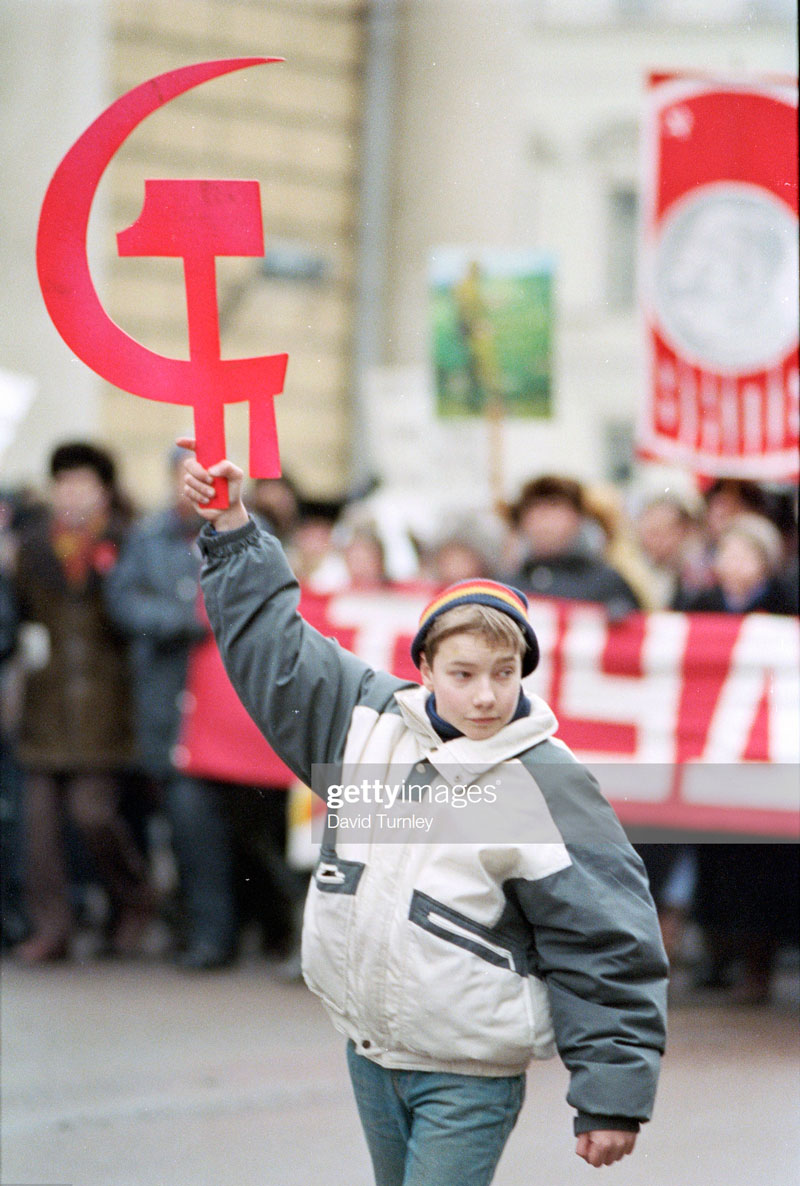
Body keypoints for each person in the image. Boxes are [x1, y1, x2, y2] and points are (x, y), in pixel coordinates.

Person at [181, 440, 668, 1181]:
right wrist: (233, 525)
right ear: (425, 669)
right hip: (370, 1053)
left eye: (503, 675)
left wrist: (610, 1098)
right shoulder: (364, 719)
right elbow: (274, 649)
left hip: (469, 1073)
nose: (483, 695)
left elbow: (607, 938)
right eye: (464, 674)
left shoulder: (550, 783)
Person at [12, 442, 154, 962]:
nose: (72, 494)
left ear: (103, 492)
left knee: (93, 814)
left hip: (106, 707)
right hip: (44, 705)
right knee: (40, 830)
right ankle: (54, 927)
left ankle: (134, 900)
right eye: (64, 483)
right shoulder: (31, 547)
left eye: (84, 484)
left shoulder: (125, 543)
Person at [506, 475, 640, 619]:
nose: (544, 519)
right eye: (534, 508)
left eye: (554, 506)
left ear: (577, 518)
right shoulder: (507, 588)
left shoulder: (607, 582)